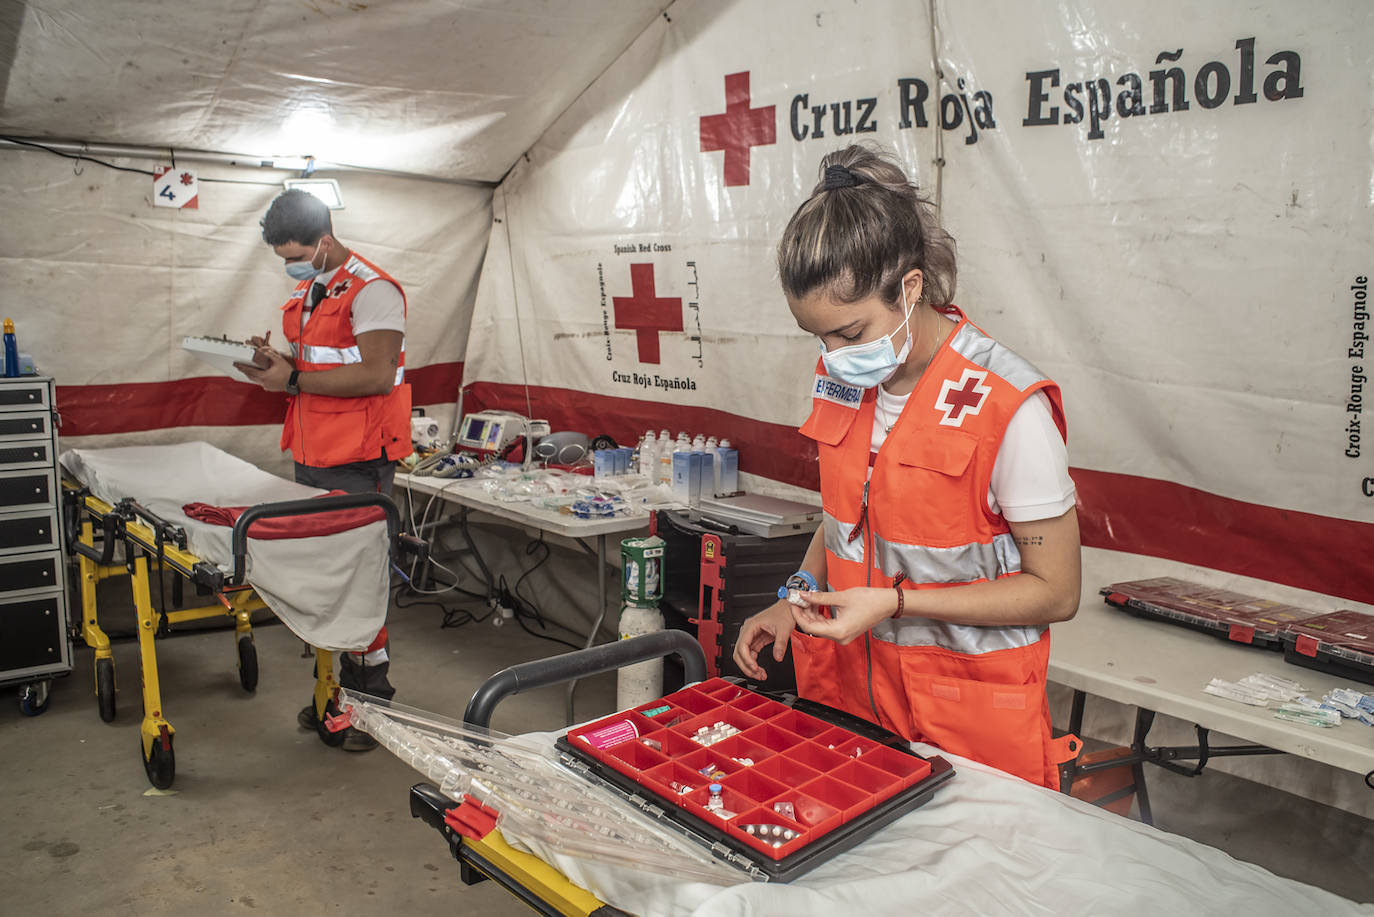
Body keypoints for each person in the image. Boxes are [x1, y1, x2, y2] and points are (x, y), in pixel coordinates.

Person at [732, 145, 1082, 788]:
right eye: (820, 337)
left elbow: (1056, 592)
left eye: (851, 332)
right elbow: (846, 517)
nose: (834, 355)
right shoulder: (846, 375)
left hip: (965, 724)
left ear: (910, 288)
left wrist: (893, 604)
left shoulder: (1007, 406)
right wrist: (793, 596)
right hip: (850, 708)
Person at [237, 188, 411, 752]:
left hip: (360, 459)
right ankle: (333, 694)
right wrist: (278, 363)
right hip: (313, 452)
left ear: (325, 241)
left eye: (294, 252)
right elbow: (317, 365)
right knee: (326, 579)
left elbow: (377, 376)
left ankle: (371, 704)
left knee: (360, 581)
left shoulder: (374, 291)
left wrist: (290, 380)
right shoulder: (313, 287)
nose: (289, 264)